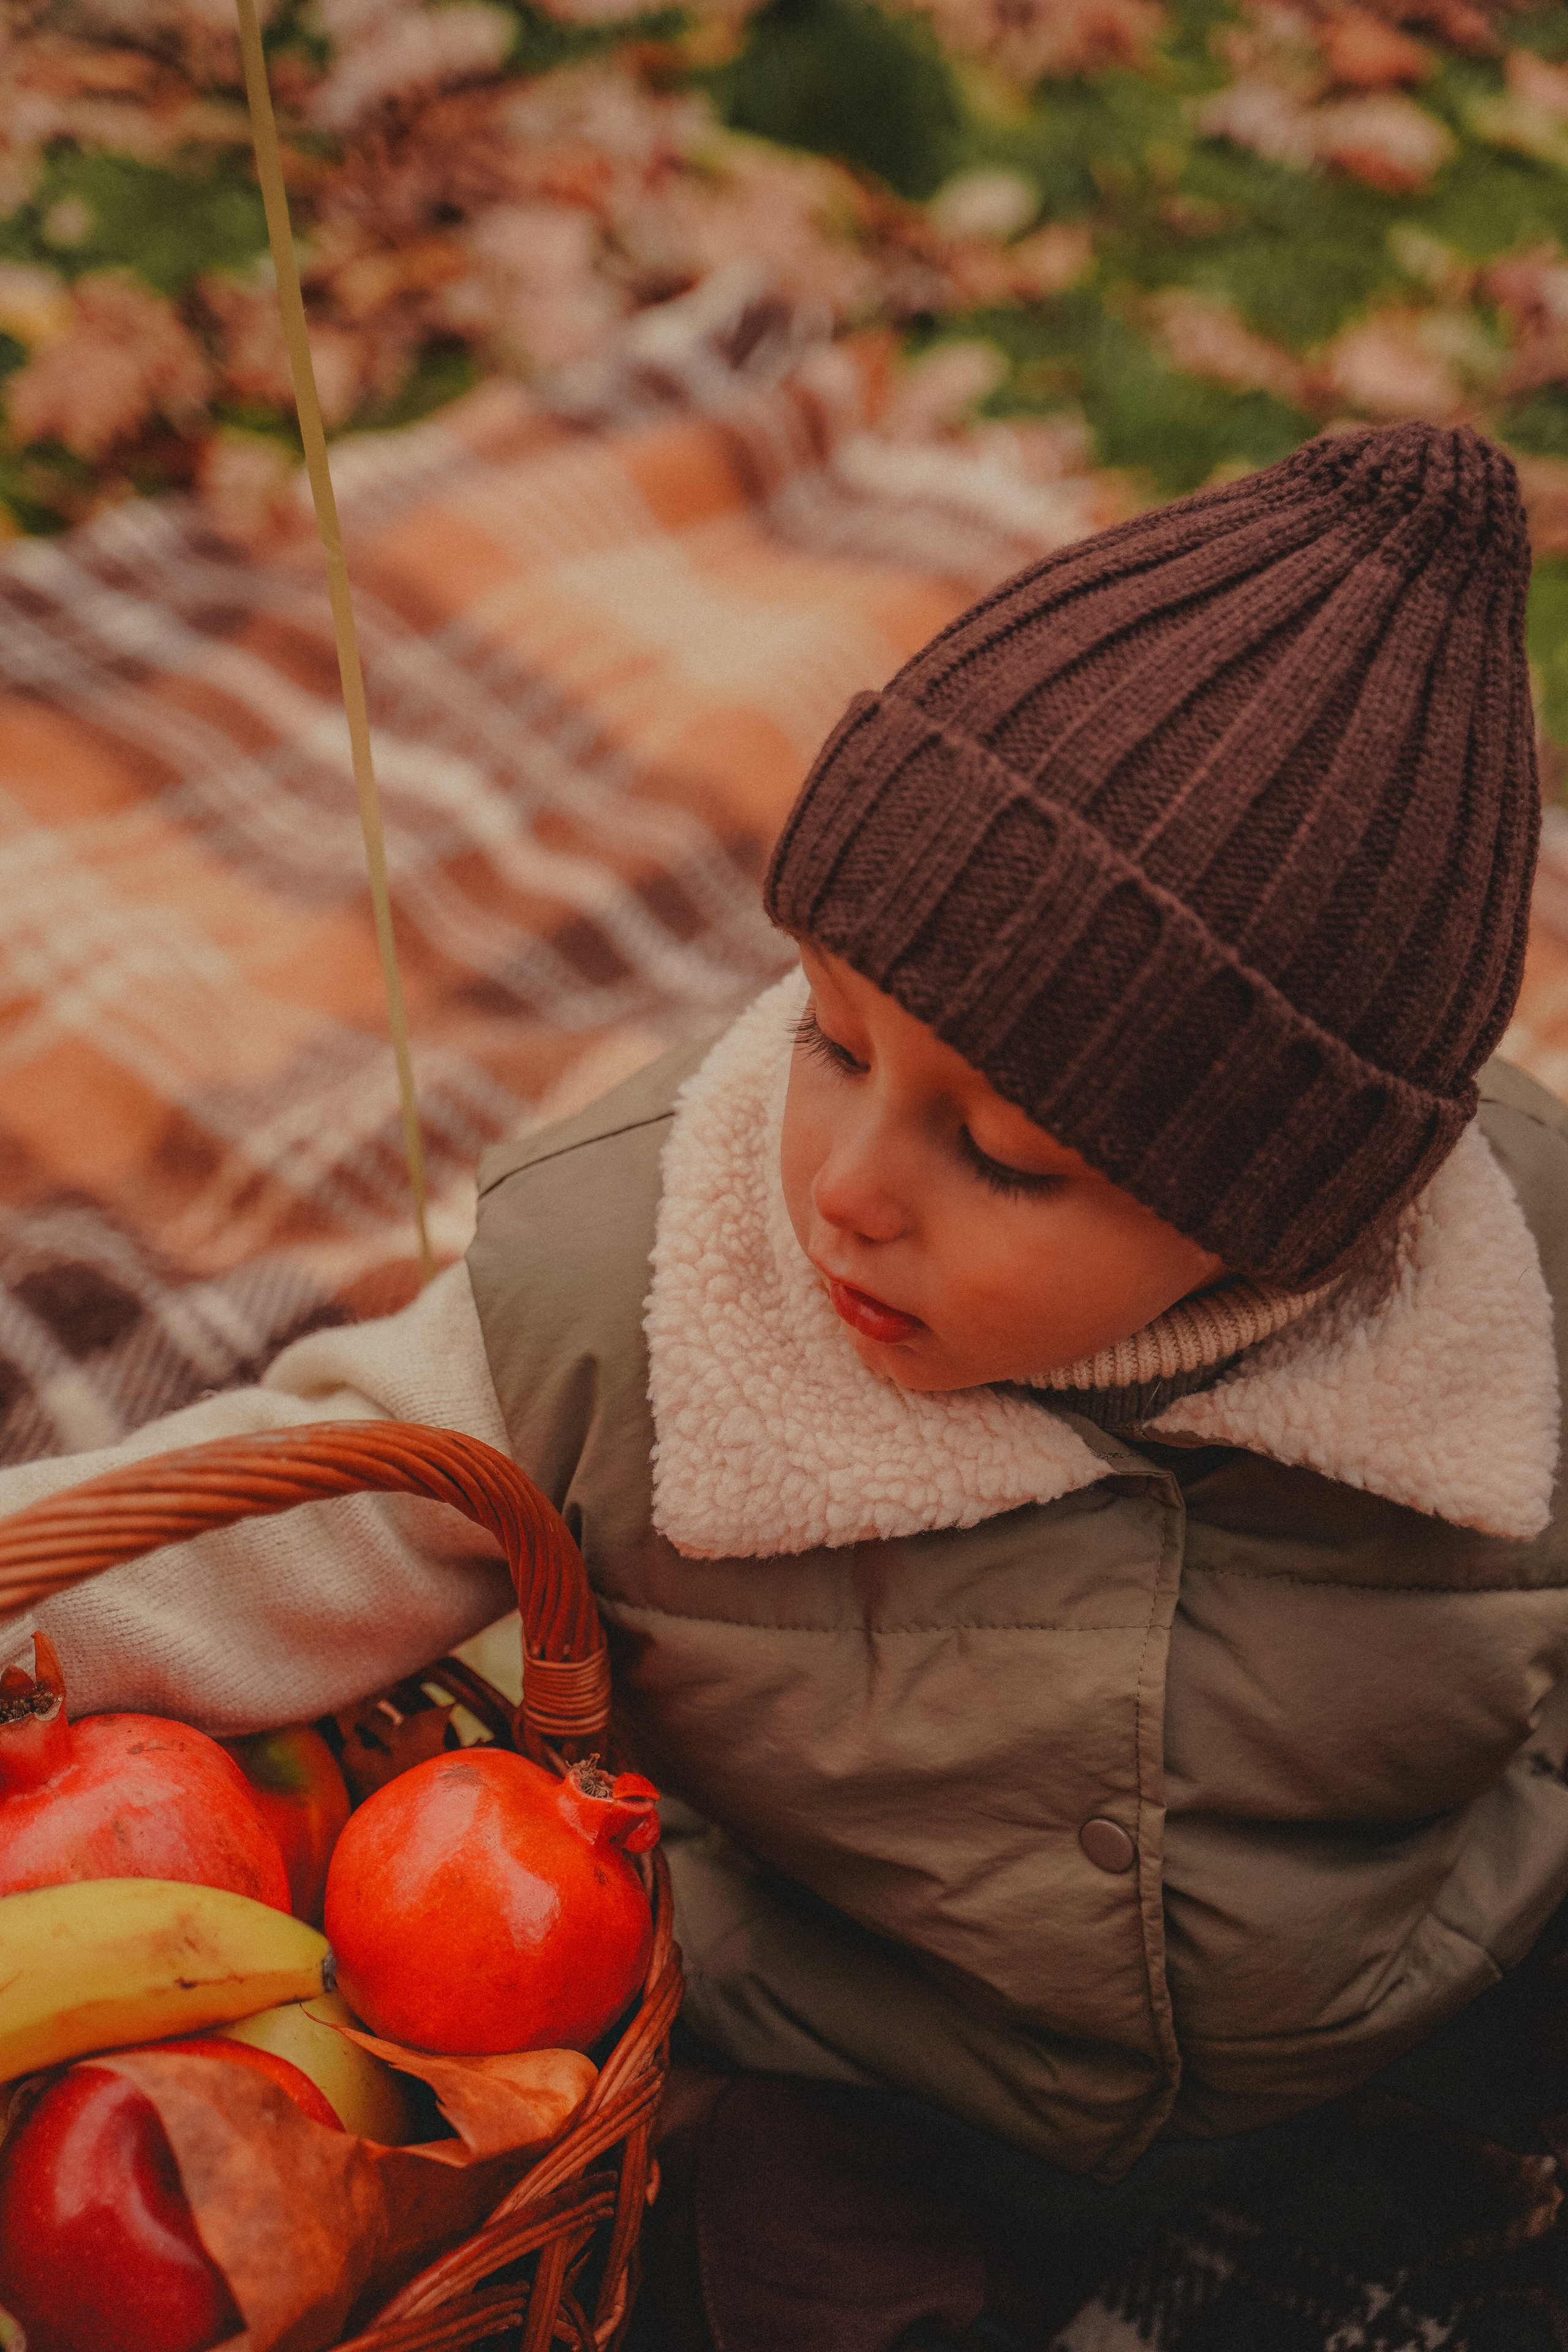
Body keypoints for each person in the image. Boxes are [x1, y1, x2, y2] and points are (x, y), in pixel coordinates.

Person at [2, 419, 1566, 2345]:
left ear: (1283, 1215)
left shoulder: (1510, 1295)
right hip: (866, 2052)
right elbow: (280, 1515)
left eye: (1001, 1156)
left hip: (1409, 1980)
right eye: (831, 1038)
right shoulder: (640, 1294)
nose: (845, 1186)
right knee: (766, 2275)